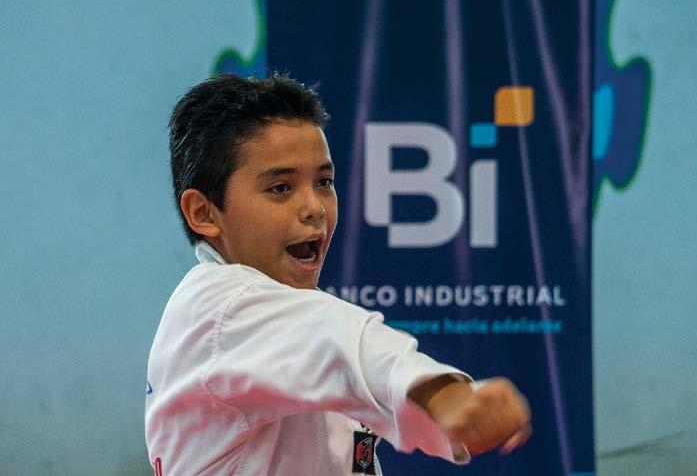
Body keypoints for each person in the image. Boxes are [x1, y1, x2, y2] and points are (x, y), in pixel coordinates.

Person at [145, 73, 531, 475]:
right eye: (280, 188)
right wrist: (445, 396)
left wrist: (453, 408)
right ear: (204, 213)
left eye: (324, 182)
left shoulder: (282, 330)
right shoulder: (219, 309)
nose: (315, 208)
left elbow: (362, 378)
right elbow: (337, 339)